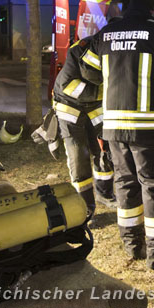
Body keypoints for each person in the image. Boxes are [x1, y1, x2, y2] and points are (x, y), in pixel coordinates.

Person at [80, 0, 154, 273]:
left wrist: (113, 69)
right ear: (152, 9)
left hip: (113, 127)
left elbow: (88, 70)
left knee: (125, 184)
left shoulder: (106, 34)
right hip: (147, 127)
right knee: (152, 185)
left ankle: (132, 245)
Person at [53, 27, 116, 214]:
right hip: (69, 107)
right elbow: (69, 86)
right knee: (78, 156)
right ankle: (85, 207)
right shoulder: (79, 49)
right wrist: (103, 93)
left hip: (95, 105)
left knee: (105, 148)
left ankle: (105, 195)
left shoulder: (115, 49)